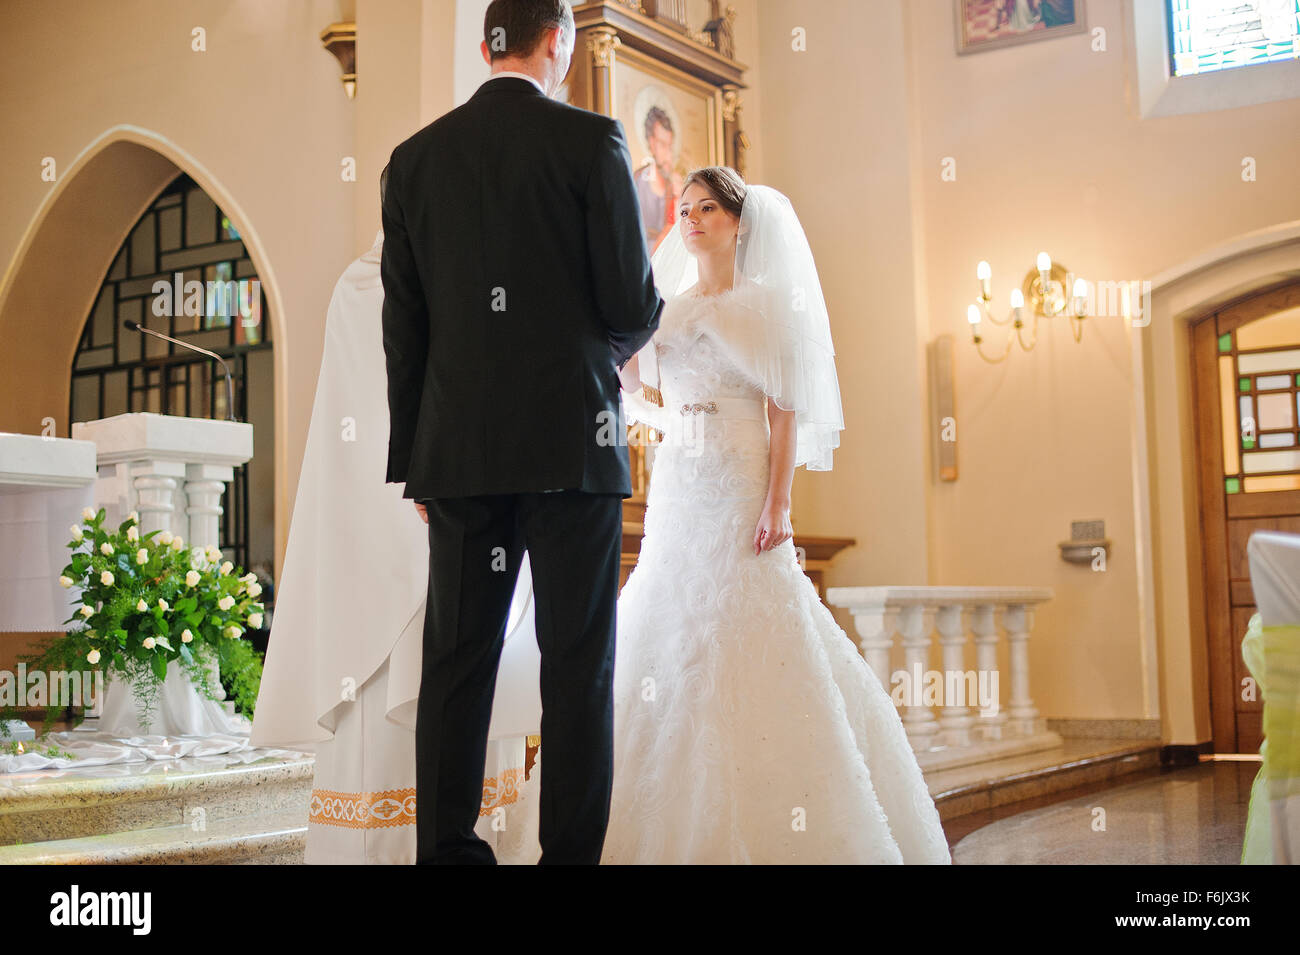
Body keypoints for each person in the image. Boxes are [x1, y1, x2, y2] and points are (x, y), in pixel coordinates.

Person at [379, 0, 663, 865]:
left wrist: (416, 465)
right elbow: (629, 303)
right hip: (573, 445)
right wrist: (599, 346)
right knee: (577, 666)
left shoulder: (414, 161)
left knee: (456, 662)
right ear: (559, 43)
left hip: (458, 454)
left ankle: (449, 853)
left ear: (484, 45)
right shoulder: (592, 141)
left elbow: (406, 329)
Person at [603, 166, 952, 863]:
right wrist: (619, 348)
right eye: (686, 208)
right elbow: (642, 389)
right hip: (679, 477)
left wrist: (779, 500)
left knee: (748, 609)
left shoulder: (764, 305)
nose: (693, 219)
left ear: (738, 223)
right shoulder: (665, 306)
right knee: (666, 616)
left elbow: (784, 408)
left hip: (740, 471)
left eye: (707, 208)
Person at [250, 165, 542, 865]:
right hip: (388, 525)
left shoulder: (470, 280)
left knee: (469, 679)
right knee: (390, 679)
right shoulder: (363, 284)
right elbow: (365, 414)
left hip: (470, 514)